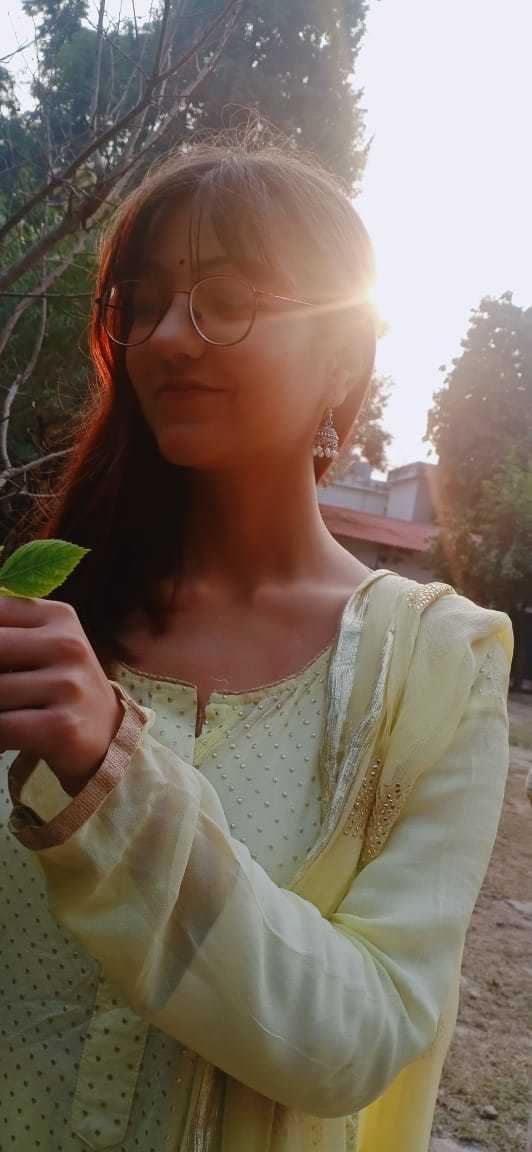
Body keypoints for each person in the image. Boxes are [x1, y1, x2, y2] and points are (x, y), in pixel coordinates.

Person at [0, 137, 514, 1152]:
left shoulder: (438, 670)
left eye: (225, 299)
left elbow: (361, 1038)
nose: (166, 339)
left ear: (341, 354)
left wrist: (114, 780)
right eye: (141, 304)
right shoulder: (50, 604)